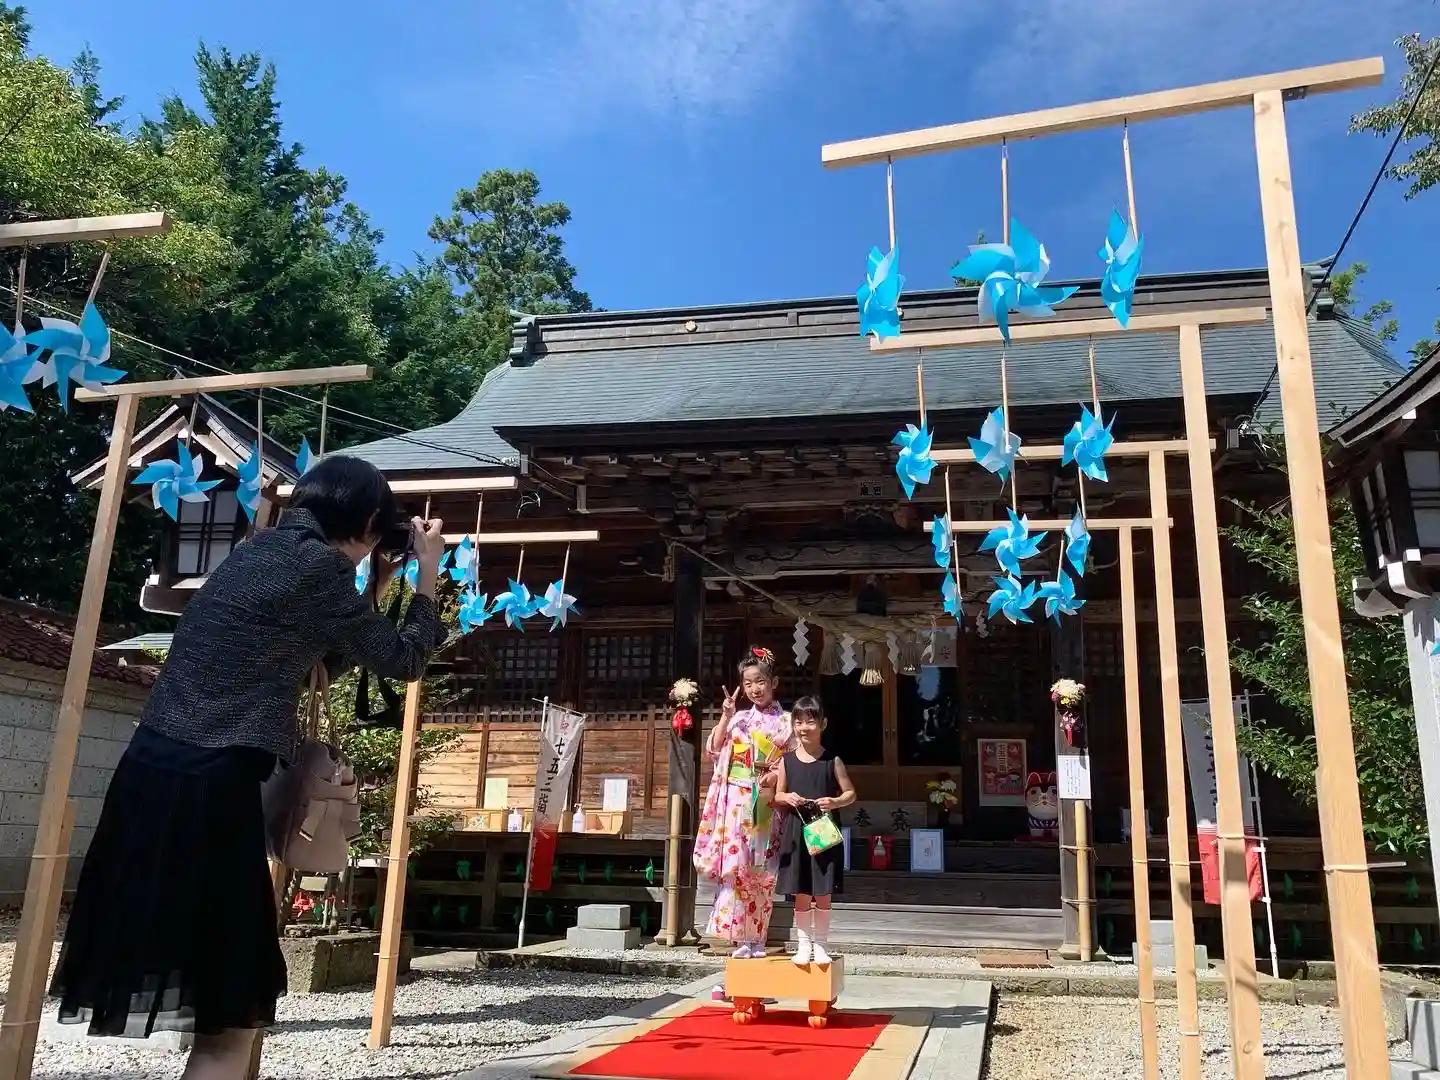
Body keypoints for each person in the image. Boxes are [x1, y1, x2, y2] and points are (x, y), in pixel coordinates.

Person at [50, 455, 448, 1080]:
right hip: (210, 786)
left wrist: (374, 581)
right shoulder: (318, 569)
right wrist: (425, 575)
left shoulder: (256, 551)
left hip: (149, 776)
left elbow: (315, 655)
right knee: (231, 1006)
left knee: (204, 979)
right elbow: (404, 660)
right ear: (369, 520)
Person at [694, 647, 795, 973]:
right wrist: (725, 715)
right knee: (737, 868)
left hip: (765, 800)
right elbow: (714, 750)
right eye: (748, 683)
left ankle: (758, 938)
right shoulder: (738, 718)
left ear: (773, 682)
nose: (754, 689)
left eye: (760, 681)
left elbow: (793, 762)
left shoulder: (786, 722)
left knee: (762, 869)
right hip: (737, 801)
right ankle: (738, 937)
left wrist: (775, 775)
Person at [774, 696, 855, 965]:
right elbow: (778, 795)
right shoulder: (786, 761)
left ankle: (821, 945)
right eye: (798, 722)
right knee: (801, 890)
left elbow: (850, 793)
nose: (804, 727)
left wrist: (835, 802)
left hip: (823, 828)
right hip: (796, 830)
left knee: (822, 889)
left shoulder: (833, 760)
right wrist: (788, 797)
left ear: (823, 724)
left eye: (810, 721)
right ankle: (803, 946)